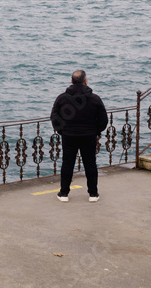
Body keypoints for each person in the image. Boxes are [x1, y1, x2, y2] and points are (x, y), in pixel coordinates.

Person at [50, 70, 108, 202]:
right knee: (90, 164)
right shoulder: (95, 98)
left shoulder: (62, 98)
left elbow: (54, 117)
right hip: (89, 135)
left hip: (69, 135)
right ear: (85, 81)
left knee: (67, 164)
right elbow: (104, 120)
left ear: (71, 81)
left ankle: (64, 193)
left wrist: (62, 131)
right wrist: (96, 131)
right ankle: (93, 194)